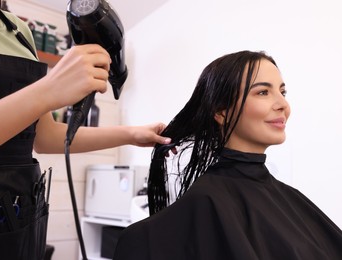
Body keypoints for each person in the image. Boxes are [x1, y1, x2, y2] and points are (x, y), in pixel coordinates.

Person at [0, 1, 171, 259]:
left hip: (19, 217)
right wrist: (47, 91)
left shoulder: (19, 31)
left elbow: (46, 136)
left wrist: (132, 135)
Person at [113, 50, 342, 260]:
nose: (283, 104)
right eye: (263, 92)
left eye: (282, 91)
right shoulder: (209, 200)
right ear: (221, 112)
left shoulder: (288, 196)